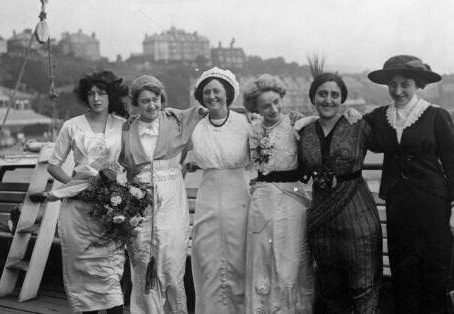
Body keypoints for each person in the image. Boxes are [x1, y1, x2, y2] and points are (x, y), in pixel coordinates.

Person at [364, 55, 454, 313]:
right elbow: (349, 129)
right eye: (392, 84)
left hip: (433, 207)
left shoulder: (436, 116)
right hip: (399, 208)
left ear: (418, 84)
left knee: (436, 275)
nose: (397, 91)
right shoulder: (380, 117)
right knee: (405, 275)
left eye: (405, 84)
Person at [118, 74, 206, 313]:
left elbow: (209, 110)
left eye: (156, 99)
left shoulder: (176, 119)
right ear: (136, 103)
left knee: (171, 264)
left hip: (171, 198)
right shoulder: (125, 129)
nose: (152, 105)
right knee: (142, 262)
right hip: (139, 200)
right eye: (145, 101)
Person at [298, 64, 382, 313]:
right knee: (331, 292)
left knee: (364, 288)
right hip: (321, 223)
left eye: (335, 95)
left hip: (358, 218)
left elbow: (395, 138)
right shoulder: (303, 131)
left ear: (342, 99)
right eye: (322, 94)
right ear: (313, 97)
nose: (328, 100)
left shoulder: (359, 126)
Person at [46, 70, 128, 314]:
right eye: (91, 94)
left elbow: (133, 162)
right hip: (79, 208)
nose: (96, 98)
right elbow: (53, 164)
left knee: (110, 270)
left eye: (101, 93)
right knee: (83, 269)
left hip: (111, 208)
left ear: (110, 95)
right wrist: (76, 185)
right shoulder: (72, 126)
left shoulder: (123, 126)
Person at [242, 74, 315, 313]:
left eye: (276, 102)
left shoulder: (296, 124)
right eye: (266, 105)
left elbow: (323, 122)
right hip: (262, 200)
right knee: (262, 255)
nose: (273, 108)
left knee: (290, 256)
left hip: (291, 197)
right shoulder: (252, 129)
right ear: (256, 108)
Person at [189, 67, 251, 313]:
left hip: (239, 197)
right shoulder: (195, 126)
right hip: (208, 197)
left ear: (228, 93)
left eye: (217, 91)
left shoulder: (245, 123)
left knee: (238, 258)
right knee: (208, 257)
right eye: (206, 92)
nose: (211, 96)